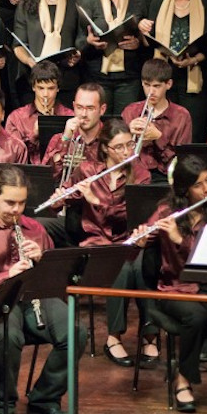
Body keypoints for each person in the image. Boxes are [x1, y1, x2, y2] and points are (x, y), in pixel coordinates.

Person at [0, 165, 85, 414]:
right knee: (7, 335)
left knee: (75, 333)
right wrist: (6, 276)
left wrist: (42, 260)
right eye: (10, 202)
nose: (16, 210)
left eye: (21, 203)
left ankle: (44, 398)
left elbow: (54, 279)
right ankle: (5, 401)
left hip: (31, 297)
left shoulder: (35, 229)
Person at [53, 119, 150, 368]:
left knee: (143, 266)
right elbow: (64, 195)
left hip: (127, 240)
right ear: (105, 148)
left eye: (129, 145)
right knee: (118, 267)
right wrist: (58, 198)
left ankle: (149, 334)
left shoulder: (139, 173)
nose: (127, 152)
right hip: (95, 244)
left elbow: (129, 214)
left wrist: (95, 200)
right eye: (119, 147)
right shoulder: (87, 170)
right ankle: (113, 337)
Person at [128, 155, 207, 412]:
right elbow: (136, 252)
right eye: (199, 185)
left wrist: (181, 239)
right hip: (173, 289)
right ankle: (183, 380)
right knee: (196, 317)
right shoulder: (167, 212)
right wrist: (139, 241)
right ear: (184, 189)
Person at [141, 0, 207, 139]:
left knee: (191, 135)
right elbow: (151, 43)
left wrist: (195, 59)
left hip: (195, 80)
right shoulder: (158, 1)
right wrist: (144, 30)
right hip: (164, 77)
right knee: (163, 133)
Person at [77, 0, 152, 113]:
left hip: (130, 76)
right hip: (98, 76)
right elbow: (79, 41)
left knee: (125, 121)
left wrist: (138, 43)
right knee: (101, 126)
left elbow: (152, 41)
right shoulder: (88, 3)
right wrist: (89, 42)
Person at [12, 0, 82, 106]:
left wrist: (77, 53)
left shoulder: (74, 4)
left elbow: (80, 37)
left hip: (65, 80)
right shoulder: (26, 5)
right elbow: (18, 45)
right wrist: (32, 63)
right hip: (33, 80)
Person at [122, 59, 193, 181]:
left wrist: (159, 137)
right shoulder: (130, 111)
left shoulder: (182, 115)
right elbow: (117, 153)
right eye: (147, 85)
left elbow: (183, 160)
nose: (151, 92)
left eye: (156, 86)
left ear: (168, 84)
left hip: (166, 177)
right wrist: (127, 134)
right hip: (133, 176)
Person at [4, 61, 74, 165]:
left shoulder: (70, 117)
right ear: (33, 87)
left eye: (51, 88)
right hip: (26, 176)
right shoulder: (17, 117)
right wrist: (34, 135)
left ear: (58, 88)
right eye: (41, 88)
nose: (45, 94)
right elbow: (12, 156)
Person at [42, 82, 109, 180]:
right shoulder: (59, 139)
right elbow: (46, 178)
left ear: (102, 109)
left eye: (90, 108)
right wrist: (65, 140)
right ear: (73, 106)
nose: (84, 114)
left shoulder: (111, 139)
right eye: (79, 107)